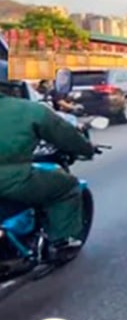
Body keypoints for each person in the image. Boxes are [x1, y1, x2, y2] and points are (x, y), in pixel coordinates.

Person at [0, 89, 96, 259]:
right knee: (67, 187)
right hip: (11, 180)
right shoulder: (28, 109)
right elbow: (67, 136)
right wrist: (87, 148)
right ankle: (62, 243)